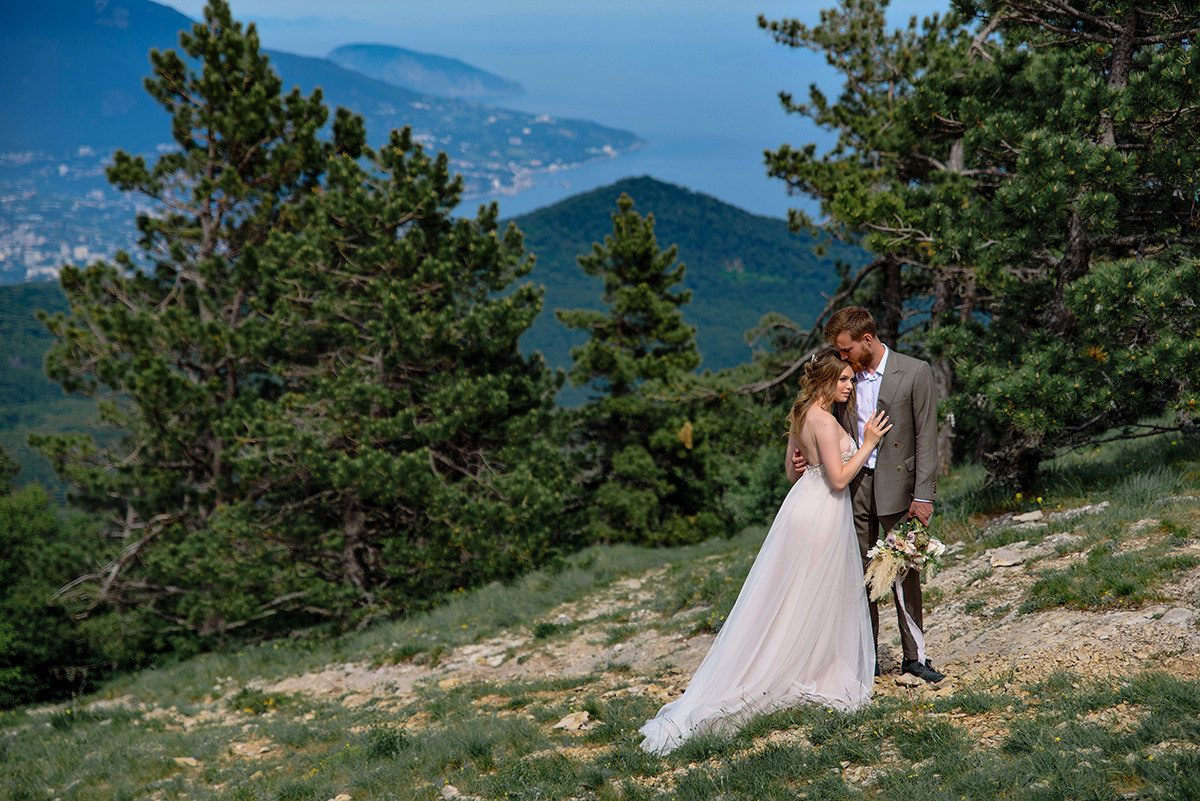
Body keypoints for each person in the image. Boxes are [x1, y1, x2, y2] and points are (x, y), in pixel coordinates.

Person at [638, 348, 890, 755]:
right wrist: (868, 443)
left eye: (850, 379)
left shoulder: (801, 414)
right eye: (843, 380)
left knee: (798, 591)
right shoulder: (824, 421)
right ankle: (808, 667)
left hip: (801, 504)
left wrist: (808, 459)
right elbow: (841, 479)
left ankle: (806, 659)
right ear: (825, 380)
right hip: (824, 508)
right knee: (816, 590)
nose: (849, 386)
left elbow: (792, 472)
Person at [801, 306, 942, 683]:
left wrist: (924, 495)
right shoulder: (845, 377)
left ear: (867, 340)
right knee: (858, 574)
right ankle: (865, 658)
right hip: (855, 485)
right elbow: (821, 418)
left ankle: (916, 658)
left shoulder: (915, 372)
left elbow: (927, 437)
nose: (842, 356)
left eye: (846, 349)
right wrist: (806, 454)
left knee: (904, 574)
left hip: (901, 489)